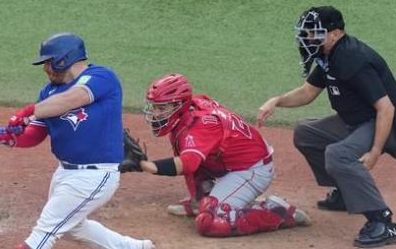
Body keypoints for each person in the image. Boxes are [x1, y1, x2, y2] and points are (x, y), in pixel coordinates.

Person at [0, 32, 154, 249]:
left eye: (49, 63)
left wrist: (28, 111)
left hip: (95, 176)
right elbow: (35, 135)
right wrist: (11, 138)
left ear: (65, 59)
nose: (46, 69)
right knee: (72, 225)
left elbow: (72, 99)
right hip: (65, 173)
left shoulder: (101, 78)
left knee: (48, 228)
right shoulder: (49, 92)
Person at [257, 6, 396, 248]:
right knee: (305, 132)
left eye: (313, 33)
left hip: (384, 123)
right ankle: (345, 193)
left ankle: (382, 221)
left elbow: (386, 108)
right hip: (357, 120)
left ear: (335, 33)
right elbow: (308, 92)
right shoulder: (328, 56)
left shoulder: (351, 59)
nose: (307, 38)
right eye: (306, 33)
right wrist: (277, 101)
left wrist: (374, 151)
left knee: (337, 155)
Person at [128, 73, 311, 238]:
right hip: (229, 162)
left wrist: (148, 166)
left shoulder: (200, 126)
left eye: (162, 108)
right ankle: (201, 200)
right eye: (155, 107)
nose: (155, 114)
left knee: (211, 223)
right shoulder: (189, 110)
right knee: (190, 151)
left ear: (179, 105)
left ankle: (277, 212)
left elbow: (189, 164)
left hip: (251, 169)